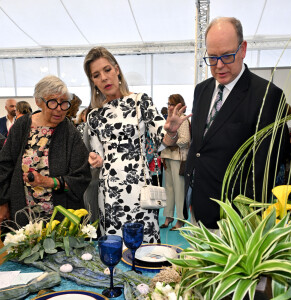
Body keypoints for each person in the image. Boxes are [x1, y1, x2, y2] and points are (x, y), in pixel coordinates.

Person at [184, 17, 287, 230]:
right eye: (212, 57)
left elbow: (263, 171)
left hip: (233, 222)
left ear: (243, 49)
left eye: (227, 56)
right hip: (197, 210)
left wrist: (244, 222)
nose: (219, 65)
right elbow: (200, 147)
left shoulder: (267, 95)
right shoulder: (201, 90)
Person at [83, 46, 190, 243]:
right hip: (109, 195)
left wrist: (172, 132)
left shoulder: (140, 101)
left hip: (140, 191)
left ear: (117, 70)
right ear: (93, 81)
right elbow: (99, 156)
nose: (104, 78)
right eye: (96, 75)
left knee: (145, 250)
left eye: (107, 70)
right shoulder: (94, 116)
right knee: (114, 251)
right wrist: (95, 159)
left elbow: (163, 140)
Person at [0, 75, 91, 228]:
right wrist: (2, 202)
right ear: (38, 101)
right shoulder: (22, 125)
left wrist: (46, 181)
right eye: (53, 102)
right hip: (24, 215)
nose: (59, 109)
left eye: (64, 103)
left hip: (61, 218)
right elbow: (4, 165)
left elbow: (81, 176)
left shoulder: (70, 131)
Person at [161, 94, 191, 230]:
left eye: (172, 104)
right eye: (168, 104)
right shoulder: (167, 120)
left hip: (179, 159)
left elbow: (185, 140)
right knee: (168, 190)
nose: (169, 106)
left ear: (180, 105)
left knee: (179, 191)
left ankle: (180, 219)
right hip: (167, 157)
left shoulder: (183, 120)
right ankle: (168, 217)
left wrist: (171, 143)